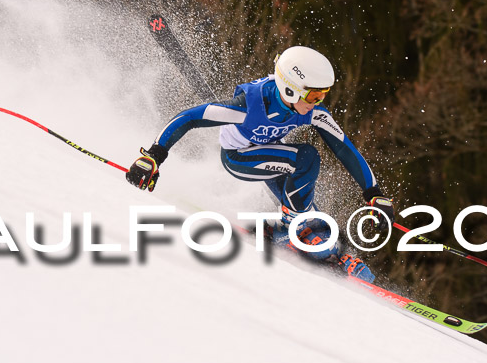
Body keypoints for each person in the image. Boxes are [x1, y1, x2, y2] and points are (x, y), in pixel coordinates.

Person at [126, 46, 394, 282]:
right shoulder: (249, 106)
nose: (318, 103)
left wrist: (374, 193)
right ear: (291, 89)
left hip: (270, 155)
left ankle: (307, 235)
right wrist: (153, 156)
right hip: (239, 157)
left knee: (315, 218)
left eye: (323, 96)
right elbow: (190, 117)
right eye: (314, 97)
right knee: (307, 158)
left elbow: (343, 147)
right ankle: (291, 231)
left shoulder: (309, 110)